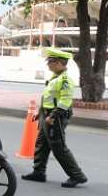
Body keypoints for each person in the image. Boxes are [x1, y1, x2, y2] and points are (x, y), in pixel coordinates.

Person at [22, 48, 88, 188]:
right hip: (47, 115)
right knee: (41, 144)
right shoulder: (55, 78)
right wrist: (41, 115)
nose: (48, 65)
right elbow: (48, 98)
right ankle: (39, 172)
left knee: (59, 147)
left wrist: (52, 116)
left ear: (58, 63)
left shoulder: (65, 80)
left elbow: (65, 101)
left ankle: (77, 175)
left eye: (50, 62)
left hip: (56, 117)